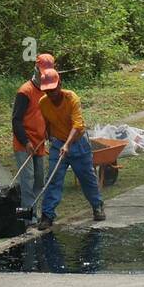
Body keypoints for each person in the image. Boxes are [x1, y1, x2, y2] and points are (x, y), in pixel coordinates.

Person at [36, 67, 105, 229]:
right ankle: (47, 215)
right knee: (53, 179)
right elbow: (47, 122)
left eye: (53, 90)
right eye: (47, 91)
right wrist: (46, 136)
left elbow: (77, 125)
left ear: (60, 84)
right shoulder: (43, 103)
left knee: (87, 178)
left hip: (78, 143)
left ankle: (97, 206)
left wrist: (67, 144)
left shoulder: (71, 98)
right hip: (57, 143)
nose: (51, 94)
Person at [11, 56, 51, 215]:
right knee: (27, 180)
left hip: (39, 143)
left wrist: (48, 131)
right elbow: (16, 120)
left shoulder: (47, 90)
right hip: (24, 144)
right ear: (36, 71)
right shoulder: (25, 91)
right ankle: (27, 218)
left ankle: (33, 212)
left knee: (39, 180)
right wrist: (25, 141)